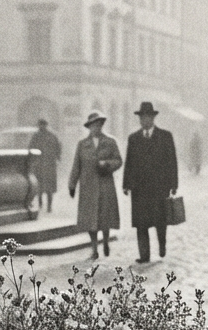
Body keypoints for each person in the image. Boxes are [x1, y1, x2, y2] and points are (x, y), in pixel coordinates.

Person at [122, 102, 179, 264]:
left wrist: (173, 184)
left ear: (153, 118)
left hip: (159, 187)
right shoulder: (133, 139)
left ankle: (162, 244)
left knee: (160, 221)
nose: (144, 121)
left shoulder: (165, 136)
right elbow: (129, 162)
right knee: (141, 223)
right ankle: (144, 255)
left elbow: (172, 162)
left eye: (147, 117)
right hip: (139, 188)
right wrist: (126, 184)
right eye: (141, 118)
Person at [67, 111, 122, 260]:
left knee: (105, 216)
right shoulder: (82, 144)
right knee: (90, 219)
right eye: (93, 125)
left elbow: (118, 160)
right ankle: (94, 248)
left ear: (101, 126)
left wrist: (107, 164)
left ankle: (105, 241)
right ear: (89, 127)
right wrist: (72, 184)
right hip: (88, 186)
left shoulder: (110, 142)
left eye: (98, 125)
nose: (95, 128)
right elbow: (76, 166)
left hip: (105, 185)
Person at [27, 118, 62, 213]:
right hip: (42, 164)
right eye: (40, 125)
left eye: (42, 125)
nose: (41, 127)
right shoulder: (37, 136)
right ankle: (42, 204)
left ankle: (48, 206)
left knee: (47, 187)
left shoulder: (50, 136)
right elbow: (31, 148)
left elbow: (58, 147)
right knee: (40, 187)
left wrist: (57, 158)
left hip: (47, 164)